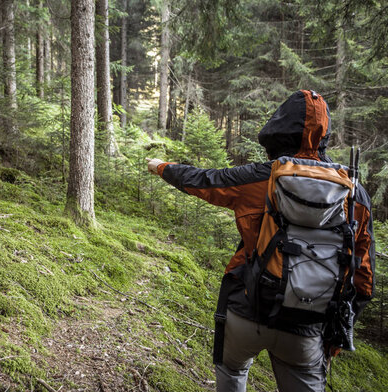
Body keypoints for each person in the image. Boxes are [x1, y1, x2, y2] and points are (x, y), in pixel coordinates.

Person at [146, 90, 375, 392]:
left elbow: (204, 180)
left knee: (231, 371)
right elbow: (364, 281)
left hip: (246, 311)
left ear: (277, 135)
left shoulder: (262, 177)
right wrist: (335, 336)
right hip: (306, 330)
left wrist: (160, 166)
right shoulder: (354, 194)